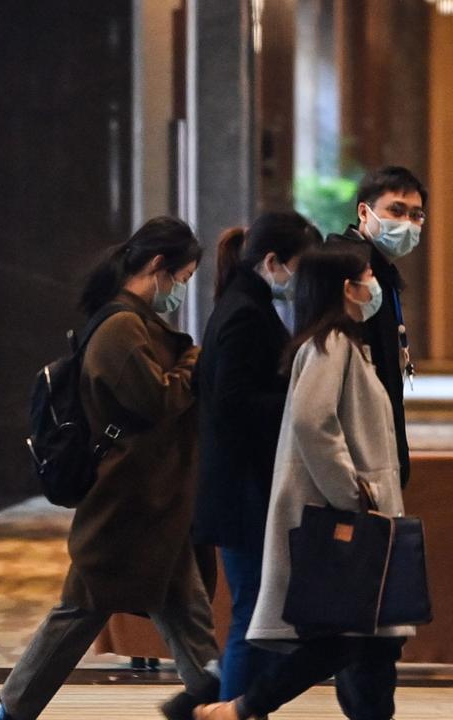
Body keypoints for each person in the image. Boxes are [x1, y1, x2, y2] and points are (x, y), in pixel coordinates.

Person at [0, 217, 220, 720]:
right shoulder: (120, 326)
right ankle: (12, 709)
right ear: (158, 267)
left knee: (188, 612)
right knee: (81, 609)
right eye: (181, 277)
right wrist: (193, 363)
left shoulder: (135, 321)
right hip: (129, 502)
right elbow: (154, 400)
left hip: (156, 499)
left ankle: (217, 704)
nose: (180, 290)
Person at [192, 246, 415, 720]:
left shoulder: (342, 343)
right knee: (347, 639)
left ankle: (243, 706)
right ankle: (243, 706)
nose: (373, 285)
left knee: (372, 645)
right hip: (352, 519)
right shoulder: (331, 343)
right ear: (345, 288)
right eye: (366, 277)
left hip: (366, 517)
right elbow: (313, 423)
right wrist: (353, 492)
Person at [194, 212, 320, 700]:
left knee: (257, 609)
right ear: (272, 262)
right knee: (252, 610)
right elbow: (233, 404)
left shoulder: (243, 302)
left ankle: (225, 705)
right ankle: (230, 709)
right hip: (243, 492)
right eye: (299, 267)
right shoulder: (246, 312)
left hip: (240, 488)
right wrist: (295, 398)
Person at [323, 166, 425, 718]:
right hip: (359, 470)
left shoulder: (382, 271)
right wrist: (352, 478)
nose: (406, 223)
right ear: (364, 211)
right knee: (367, 623)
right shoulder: (350, 268)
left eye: (415, 215)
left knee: (371, 618)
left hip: (380, 460)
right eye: (395, 210)